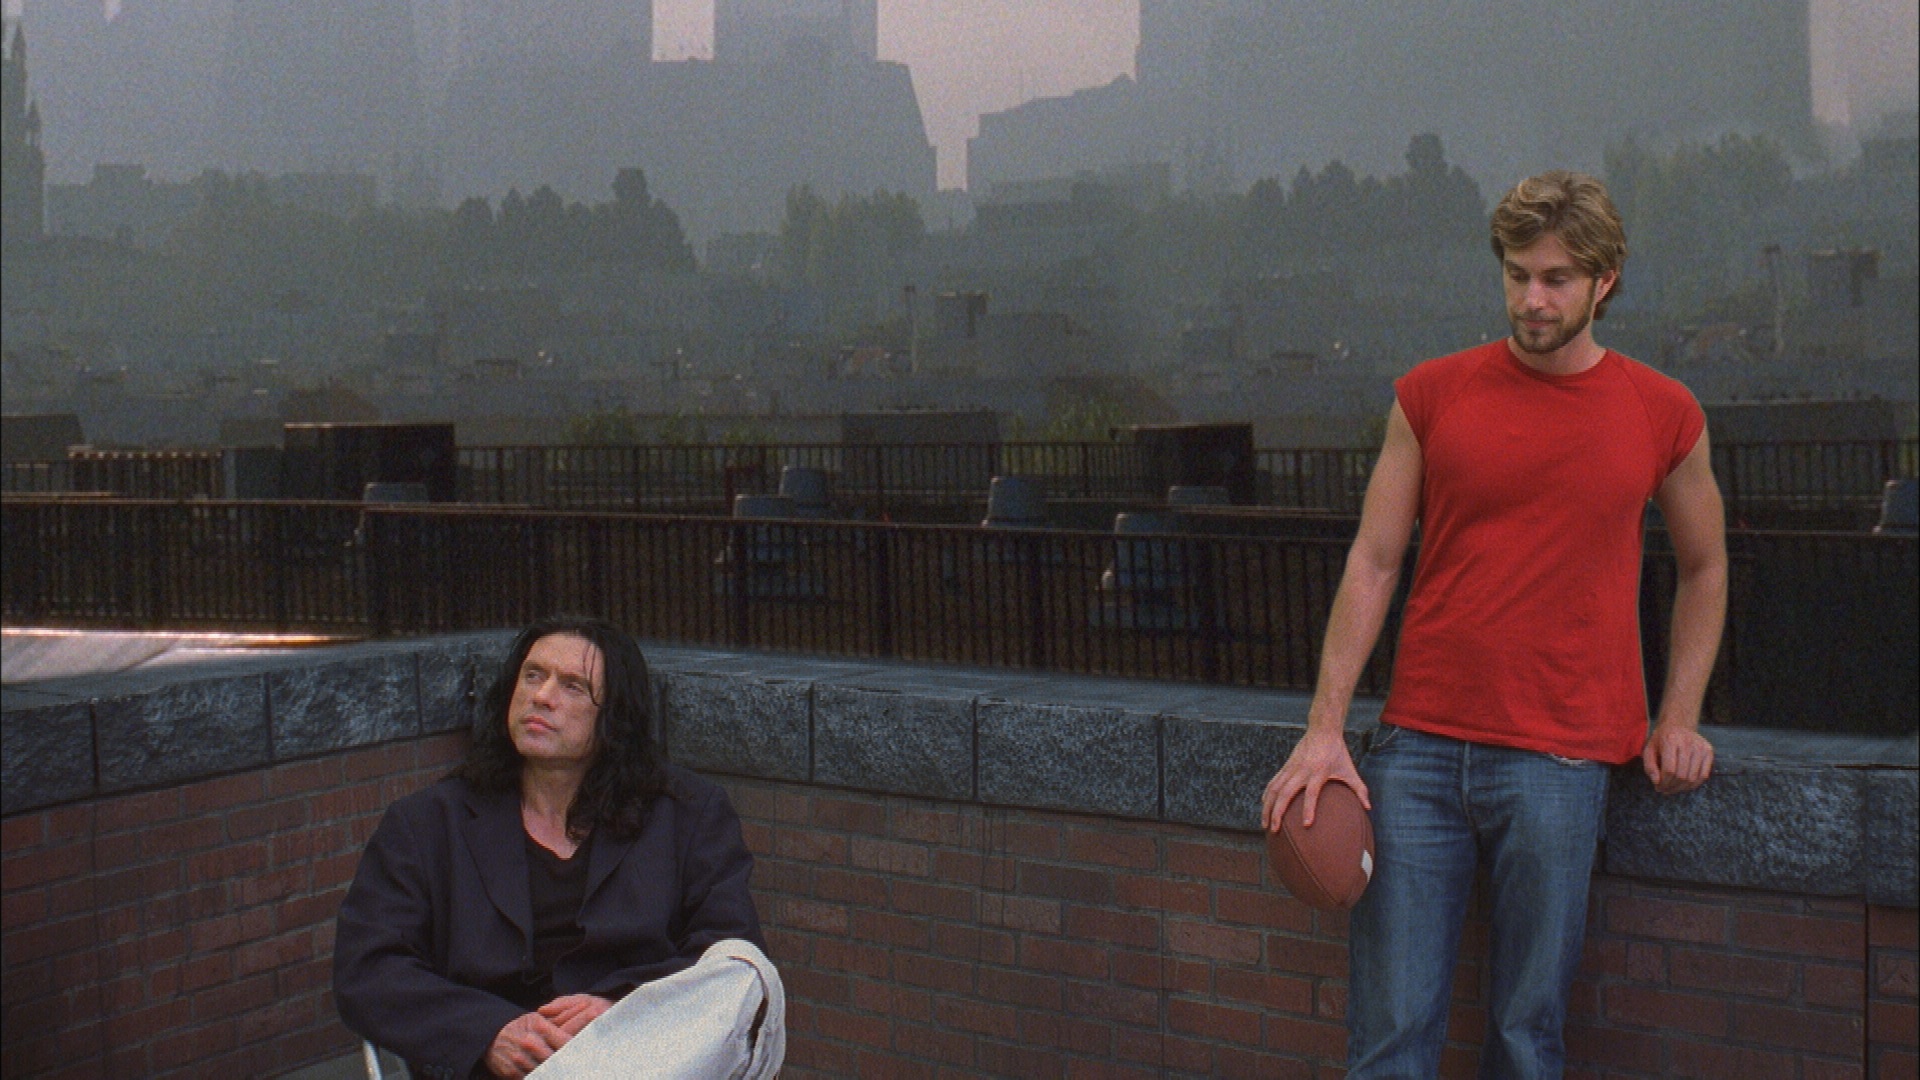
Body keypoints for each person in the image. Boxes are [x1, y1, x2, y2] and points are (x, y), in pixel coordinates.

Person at [1261, 171, 1725, 1077]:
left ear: (1605, 281)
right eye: (1517, 275)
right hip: (1418, 754)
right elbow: (1373, 560)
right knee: (1390, 1038)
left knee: (1524, 1038)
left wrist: (1679, 718)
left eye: (1556, 279)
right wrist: (1324, 730)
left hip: (1563, 759)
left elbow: (1705, 568)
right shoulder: (1431, 395)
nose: (1532, 299)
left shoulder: (1663, 411)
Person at [335, 616, 765, 1079]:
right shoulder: (427, 822)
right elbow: (369, 968)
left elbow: (732, 958)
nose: (541, 696)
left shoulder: (687, 813)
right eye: (533, 675)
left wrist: (625, 1008)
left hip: (637, 1061)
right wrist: (487, 1032)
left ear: (614, 716)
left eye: (573, 686)